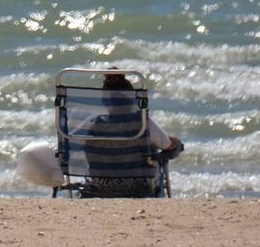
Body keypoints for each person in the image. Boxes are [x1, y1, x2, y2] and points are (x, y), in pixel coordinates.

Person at [15, 69, 182, 189]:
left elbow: (71, 144)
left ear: (104, 101)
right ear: (133, 100)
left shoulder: (93, 123)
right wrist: (175, 143)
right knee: (171, 149)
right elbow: (168, 146)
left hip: (99, 184)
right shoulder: (142, 123)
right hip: (138, 184)